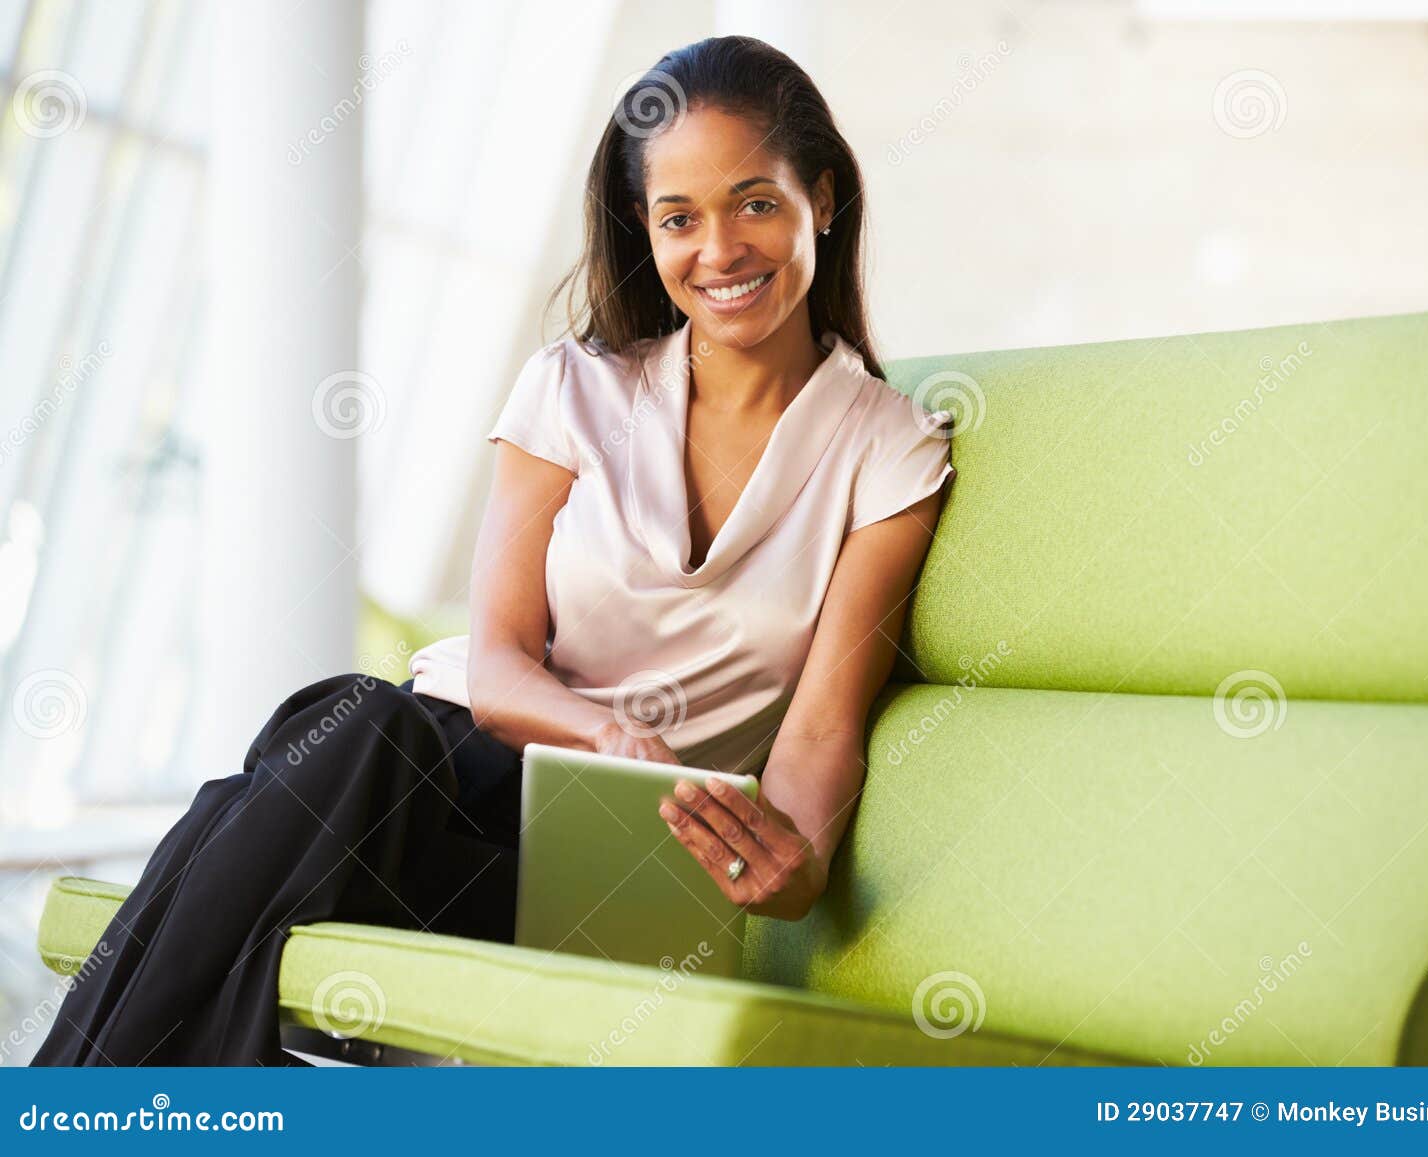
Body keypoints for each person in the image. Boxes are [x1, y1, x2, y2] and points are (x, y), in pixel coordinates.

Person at [31, 33, 953, 1066]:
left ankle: (75, 1098)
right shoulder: (573, 387)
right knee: (355, 728)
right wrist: (607, 734)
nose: (720, 250)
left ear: (820, 198)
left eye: (755, 202)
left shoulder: (890, 448)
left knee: (258, 806)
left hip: (612, 858)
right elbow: (503, 665)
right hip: (444, 770)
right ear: (644, 234)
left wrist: (803, 862)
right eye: (678, 217)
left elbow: (823, 728)